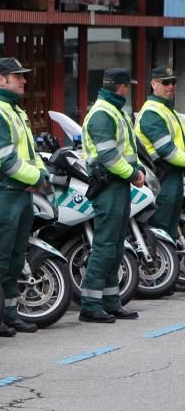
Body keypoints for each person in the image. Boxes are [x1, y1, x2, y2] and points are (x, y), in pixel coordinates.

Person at [0, 57, 49, 336]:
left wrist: (41, 174)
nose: (23, 81)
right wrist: (38, 179)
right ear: (0, 80)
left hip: (20, 193)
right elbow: (7, 159)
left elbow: (30, 153)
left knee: (14, 256)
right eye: (17, 76)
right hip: (5, 194)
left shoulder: (14, 110)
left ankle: (9, 312)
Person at [79, 68, 146, 323]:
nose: (128, 90)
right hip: (108, 186)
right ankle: (90, 304)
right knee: (105, 245)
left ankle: (110, 300)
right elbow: (109, 157)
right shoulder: (103, 114)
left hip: (118, 186)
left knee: (116, 245)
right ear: (121, 87)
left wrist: (135, 170)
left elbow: (126, 151)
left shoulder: (114, 111)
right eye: (127, 86)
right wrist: (133, 174)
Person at [135, 66, 185, 240]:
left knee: (170, 227)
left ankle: (172, 265)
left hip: (173, 175)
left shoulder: (166, 109)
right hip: (161, 177)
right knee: (161, 229)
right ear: (154, 84)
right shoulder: (152, 112)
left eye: (173, 82)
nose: (171, 86)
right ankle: (158, 266)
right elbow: (167, 151)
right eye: (166, 83)